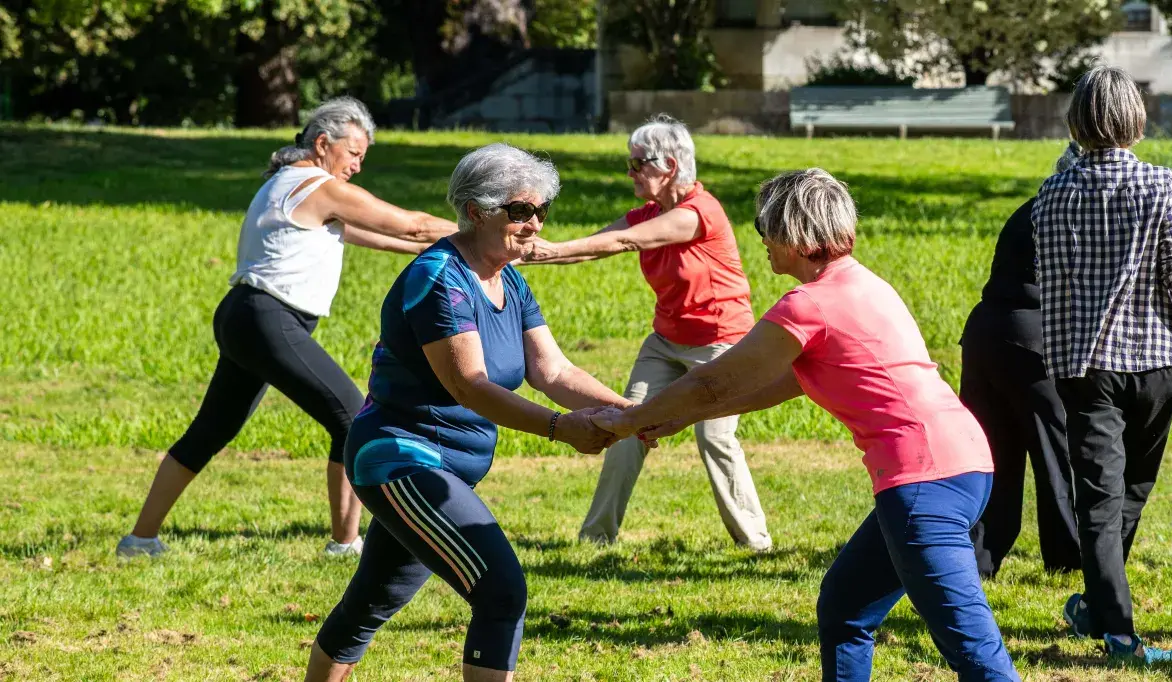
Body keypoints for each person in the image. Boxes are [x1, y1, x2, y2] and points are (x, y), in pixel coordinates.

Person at [592, 168, 1018, 682]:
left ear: (793, 234)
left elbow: (715, 380)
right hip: (964, 464)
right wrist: (681, 417)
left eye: (765, 228)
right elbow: (785, 382)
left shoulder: (807, 305)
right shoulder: (863, 284)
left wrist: (632, 419)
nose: (761, 240)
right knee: (845, 607)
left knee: (975, 654)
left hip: (925, 481)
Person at [305, 143, 629, 682]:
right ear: (477, 211)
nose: (534, 224)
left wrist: (630, 412)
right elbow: (470, 386)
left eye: (541, 210)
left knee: (371, 602)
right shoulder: (440, 277)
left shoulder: (510, 279)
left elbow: (553, 370)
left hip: (447, 468)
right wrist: (559, 428)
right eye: (520, 211)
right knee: (501, 592)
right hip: (400, 459)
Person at [120, 97, 458, 559]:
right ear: (322, 144)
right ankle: (345, 543)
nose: (357, 166)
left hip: (244, 316)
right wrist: (481, 231)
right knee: (353, 417)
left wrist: (450, 249)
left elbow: (383, 236)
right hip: (268, 320)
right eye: (353, 153)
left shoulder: (287, 182)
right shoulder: (318, 186)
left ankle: (139, 540)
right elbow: (414, 226)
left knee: (210, 430)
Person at [1038, 66, 1172, 666]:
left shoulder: (1051, 194)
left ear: (1076, 122)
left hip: (1083, 366)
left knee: (1101, 500)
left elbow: (1052, 285)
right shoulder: (1160, 184)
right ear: (1136, 121)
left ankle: (1103, 614)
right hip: (1156, 361)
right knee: (1132, 490)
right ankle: (1116, 631)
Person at [523, 115, 771, 551]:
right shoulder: (649, 213)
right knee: (627, 422)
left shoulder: (698, 213)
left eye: (638, 164)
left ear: (669, 166)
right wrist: (523, 254)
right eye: (630, 164)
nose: (631, 173)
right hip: (666, 342)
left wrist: (553, 249)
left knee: (714, 436)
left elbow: (626, 242)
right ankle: (596, 537)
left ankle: (755, 542)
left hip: (720, 342)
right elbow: (595, 246)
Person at [959, 144, 1083, 580]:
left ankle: (979, 557)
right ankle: (1067, 558)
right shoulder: (1073, 214)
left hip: (985, 336)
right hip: (1033, 341)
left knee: (993, 454)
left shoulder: (1028, 209)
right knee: (1057, 455)